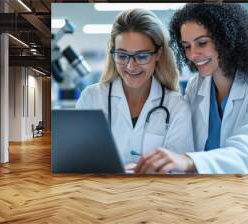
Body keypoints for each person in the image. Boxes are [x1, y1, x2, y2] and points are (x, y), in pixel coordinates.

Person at [135, 3, 248, 174]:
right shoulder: (195, 86)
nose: (192, 55)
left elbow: (247, 152)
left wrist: (188, 160)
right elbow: (182, 141)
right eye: (186, 46)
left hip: (246, 191)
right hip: (203, 189)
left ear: (226, 40)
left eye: (202, 43)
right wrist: (153, 162)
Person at [76, 8, 194, 168]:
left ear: (158, 54)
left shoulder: (176, 106)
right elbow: (78, 160)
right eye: (122, 56)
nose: (131, 66)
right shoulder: (92, 97)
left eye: (142, 56)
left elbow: (179, 169)